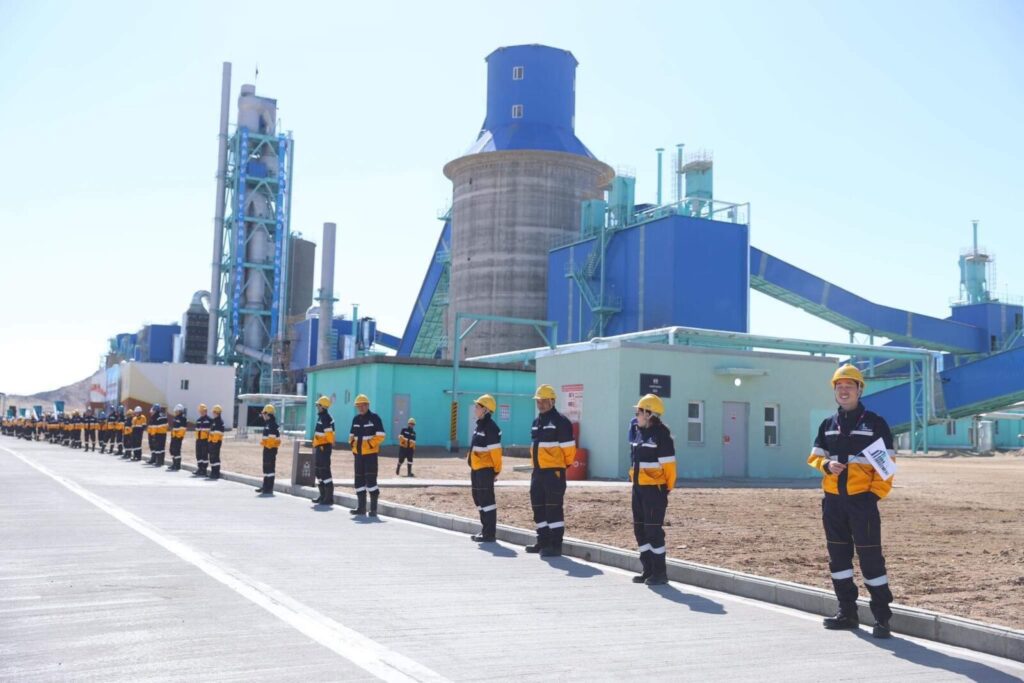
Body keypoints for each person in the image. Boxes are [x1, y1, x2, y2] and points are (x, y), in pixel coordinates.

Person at [808, 364, 896, 639]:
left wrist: (872, 497)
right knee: (839, 559)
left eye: (849, 386)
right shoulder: (828, 425)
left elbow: (887, 466)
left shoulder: (875, 424)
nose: (844, 391)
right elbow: (814, 457)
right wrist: (826, 465)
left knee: (871, 561)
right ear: (834, 391)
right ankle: (847, 613)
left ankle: (882, 618)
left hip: (862, 503)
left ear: (860, 390)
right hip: (833, 503)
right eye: (839, 386)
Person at [629, 394, 677, 585]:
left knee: (653, 531)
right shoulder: (640, 433)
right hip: (638, 489)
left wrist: (664, 490)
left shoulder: (661, 436)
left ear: (649, 414)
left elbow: (669, 469)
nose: (636, 415)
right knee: (640, 530)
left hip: (654, 491)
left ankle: (659, 573)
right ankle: (648, 569)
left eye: (639, 412)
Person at [526, 384, 576, 557]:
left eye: (543, 401)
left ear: (552, 401)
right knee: (538, 506)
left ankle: (555, 545)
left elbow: (569, 451)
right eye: (538, 401)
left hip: (554, 472)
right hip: (538, 472)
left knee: (553, 508)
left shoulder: (561, 422)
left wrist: (561, 467)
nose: (540, 404)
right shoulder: (536, 422)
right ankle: (543, 541)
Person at [468, 395, 502, 543]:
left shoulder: (491, 428)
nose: (475, 409)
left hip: (485, 470)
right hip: (476, 469)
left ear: (486, 409)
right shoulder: (479, 426)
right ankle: (485, 530)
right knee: (478, 499)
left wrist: (496, 471)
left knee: (487, 501)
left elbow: (496, 453)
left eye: (477, 406)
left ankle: (489, 533)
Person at [348, 394, 385, 517]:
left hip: (370, 455)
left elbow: (381, 435)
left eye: (363, 405)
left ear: (368, 405)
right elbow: (351, 436)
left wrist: (369, 444)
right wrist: (353, 447)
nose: (360, 408)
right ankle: (361, 508)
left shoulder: (375, 418)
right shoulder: (355, 419)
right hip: (358, 456)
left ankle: (373, 509)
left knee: (371, 481)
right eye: (358, 406)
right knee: (358, 481)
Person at [311, 396, 335, 506]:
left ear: (323, 406)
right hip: (320, 447)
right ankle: (323, 495)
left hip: (324, 448)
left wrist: (321, 443)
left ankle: (328, 498)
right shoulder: (322, 417)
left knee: (324, 471)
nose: (317, 406)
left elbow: (329, 436)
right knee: (318, 471)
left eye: (318, 405)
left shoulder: (326, 418)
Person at [256, 404, 280, 495]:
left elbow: (272, 439)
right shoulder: (268, 424)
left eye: (264, 413)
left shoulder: (272, 425)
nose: (262, 415)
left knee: (270, 468)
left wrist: (266, 444)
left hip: (270, 449)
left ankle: (269, 488)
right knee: (266, 468)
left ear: (268, 414)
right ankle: (265, 486)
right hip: (267, 448)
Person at [166, 404, 186, 471]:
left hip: (178, 438)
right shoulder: (176, 418)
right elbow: (174, 428)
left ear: (180, 411)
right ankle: (174, 463)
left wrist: (178, 437)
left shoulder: (183, 418)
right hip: (173, 437)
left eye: (176, 411)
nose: (175, 412)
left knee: (177, 451)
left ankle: (177, 465)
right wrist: (172, 435)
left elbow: (183, 429)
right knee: (172, 450)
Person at [207, 405, 225, 479]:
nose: (213, 413)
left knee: (215, 458)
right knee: (212, 458)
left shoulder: (219, 421)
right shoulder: (214, 421)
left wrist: (214, 442)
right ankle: (213, 472)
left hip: (216, 442)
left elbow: (218, 433)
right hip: (212, 442)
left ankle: (216, 473)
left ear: (217, 412)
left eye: (214, 412)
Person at [193, 403, 211, 476]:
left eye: (203, 411)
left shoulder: (209, 420)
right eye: (200, 411)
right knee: (198, 455)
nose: (201, 412)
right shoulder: (198, 420)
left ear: (206, 411)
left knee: (204, 455)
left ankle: (204, 470)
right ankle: (199, 468)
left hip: (205, 440)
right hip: (198, 440)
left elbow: (211, 431)